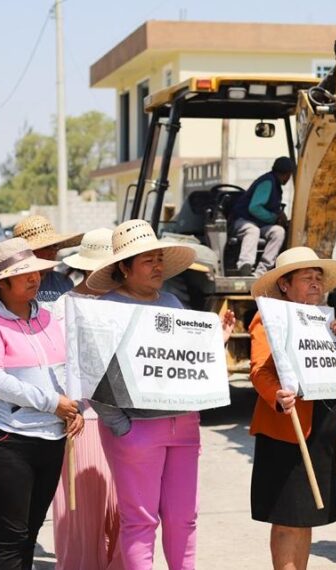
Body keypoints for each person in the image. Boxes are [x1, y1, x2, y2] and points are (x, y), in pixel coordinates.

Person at [85, 219, 235, 570]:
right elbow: (91, 376)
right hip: (136, 430)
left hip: (184, 428)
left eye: (158, 259)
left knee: (185, 519)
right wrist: (120, 425)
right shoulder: (105, 310)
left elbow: (186, 359)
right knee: (140, 522)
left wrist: (217, 343)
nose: (157, 266)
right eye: (147, 260)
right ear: (124, 267)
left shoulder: (171, 302)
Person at [0, 237, 84, 570]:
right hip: (8, 442)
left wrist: (74, 407)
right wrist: (53, 403)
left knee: (30, 533)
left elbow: (67, 369)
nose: (35, 278)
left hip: (52, 440)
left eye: (36, 272)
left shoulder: (49, 317)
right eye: (24, 274)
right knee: (9, 536)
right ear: (2, 283)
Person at [248, 247, 336, 570]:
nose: (315, 284)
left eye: (318, 278)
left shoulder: (327, 321)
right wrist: (278, 396)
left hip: (321, 430)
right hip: (287, 429)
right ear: (284, 284)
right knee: (286, 518)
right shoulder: (269, 317)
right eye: (307, 278)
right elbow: (260, 371)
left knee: (306, 516)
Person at [51, 227, 124, 570]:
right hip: (81, 422)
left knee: (127, 517)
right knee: (83, 523)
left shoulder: (128, 304)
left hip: (128, 424)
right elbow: (52, 369)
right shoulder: (60, 309)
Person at [228, 156, 292, 276]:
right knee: (253, 230)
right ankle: (245, 265)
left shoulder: (275, 185)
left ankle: (262, 271)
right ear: (287, 174)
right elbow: (254, 208)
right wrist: (274, 218)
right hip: (242, 221)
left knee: (278, 232)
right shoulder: (268, 182)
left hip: (258, 223)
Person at [12, 214, 82, 304]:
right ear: (28, 252)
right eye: (46, 247)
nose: (53, 252)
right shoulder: (14, 286)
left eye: (55, 246)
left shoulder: (64, 282)